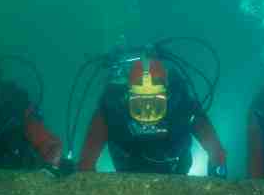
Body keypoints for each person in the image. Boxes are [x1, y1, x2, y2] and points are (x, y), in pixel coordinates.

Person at [78, 54, 227, 177]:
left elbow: (217, 153)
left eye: (155, 102)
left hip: (175, 171)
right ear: (127, 97)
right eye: (140, 103)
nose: (148, 110)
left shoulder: (183, 105)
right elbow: (86, 163)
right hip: (130, 173)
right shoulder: (112, 109)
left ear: (168, 96)